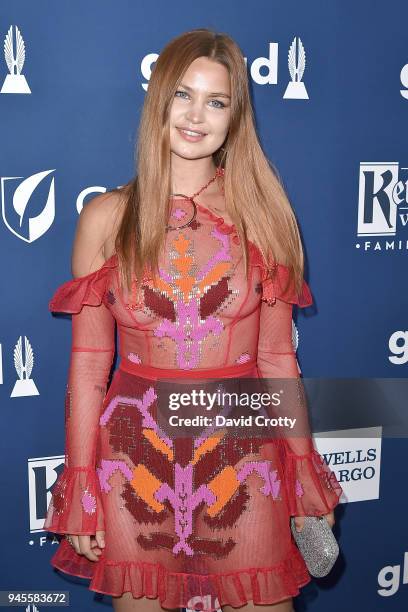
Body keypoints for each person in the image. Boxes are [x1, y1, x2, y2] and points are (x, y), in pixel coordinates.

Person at [44, 28, 342, 612]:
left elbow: (278, 358)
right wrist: (82, 486)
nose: (196, 116)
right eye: (183, 94)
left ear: (235, 117)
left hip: (244, 462)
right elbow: (87, 370)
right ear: (159, 100)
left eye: (217, 101)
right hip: (133, 467)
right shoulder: (105, 217)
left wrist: (304, 472)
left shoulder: (266, 215)